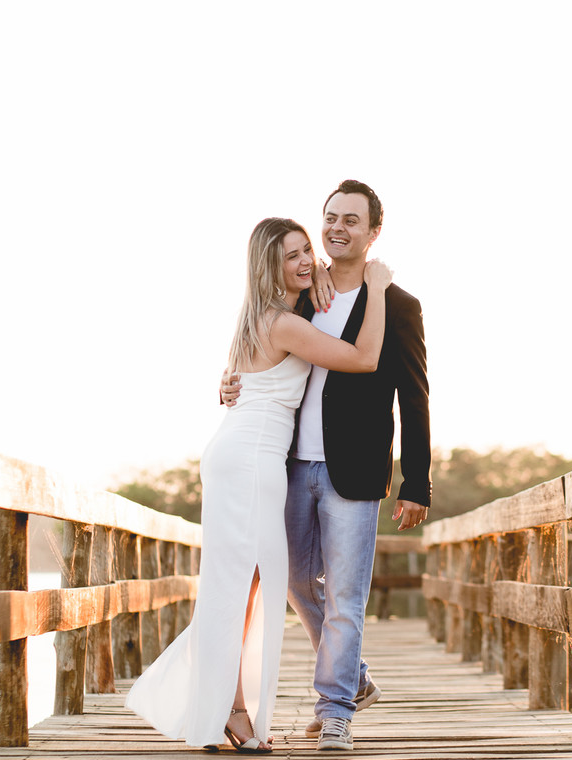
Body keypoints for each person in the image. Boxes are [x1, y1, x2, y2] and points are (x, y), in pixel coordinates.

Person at [126, 217, 393, 754]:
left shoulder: (257, 317)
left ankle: (226, 706)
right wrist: (379, 288)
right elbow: (363, 359)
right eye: (291, 255)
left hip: (243, 454)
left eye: (306, 252)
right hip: (250, 461)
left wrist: (315, 271)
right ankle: (229, 708)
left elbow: (238, 381)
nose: (303, 261)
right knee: (243, 588)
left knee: (245, 587)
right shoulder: (283, 324)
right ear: (268, 264)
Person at [222, 180, 431, 752]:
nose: (337, 228)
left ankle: (336, 709)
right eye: (331, 217)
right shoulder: (300, 295)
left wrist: (417, 483)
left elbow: (414, 398)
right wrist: (232, 380)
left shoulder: (398, 305)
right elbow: (259, 351)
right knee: (292, 580)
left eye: (351, 220)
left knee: (345, 594)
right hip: (288, 465)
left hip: (355, 470)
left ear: (373, 231)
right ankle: (355, 679)